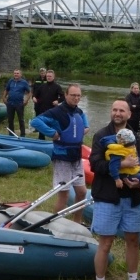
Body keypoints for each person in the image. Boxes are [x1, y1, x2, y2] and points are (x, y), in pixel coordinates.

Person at [89, 99, 140, 280]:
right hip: (108, 196)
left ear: (129, 114)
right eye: (115, 109)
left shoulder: (136, 138)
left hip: (132, 197)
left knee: (133, 240)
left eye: (122, 110)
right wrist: (120, 164)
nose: (117, 113)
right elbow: (94, 165)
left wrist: (138, 183)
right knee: (105, 242)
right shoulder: (101, 136)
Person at [31, 84, 90, 218]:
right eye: (73, 95)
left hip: (76, 157)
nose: (76, 98)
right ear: (66, 95)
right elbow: (36, 121)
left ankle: (77, 222)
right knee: (64, 194)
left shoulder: (79, 112)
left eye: (78, 95)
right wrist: (52, 133)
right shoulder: (56, 112)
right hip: (62, 157)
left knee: (82, 192)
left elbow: (86, 125)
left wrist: (85, 129)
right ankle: (56, 222)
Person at [101, 128, 140, 208]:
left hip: (132, 170)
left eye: (134, 144)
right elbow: (112, 166)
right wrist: (117, 179)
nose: (133, 146)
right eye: (132, 144)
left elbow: (135, 155)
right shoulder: (117, 151)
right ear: (123, 144)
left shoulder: (129, 147)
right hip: (124, 174)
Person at [32, 70, 64, 140]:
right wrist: (34, 97)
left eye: (50, 76)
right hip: (42, 109)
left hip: (52, 111)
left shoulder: (57, 87)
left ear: (53, 77)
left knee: (55, 127)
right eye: (47, 76)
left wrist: (57, 101)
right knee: (42, 127)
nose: (48, 78)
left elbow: (63, 97)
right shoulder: (42, 86)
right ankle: (41, 140)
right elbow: (35, 94)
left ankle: (58, 140)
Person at [3, 69, 31, 137]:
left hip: (19, 103)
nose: (16, 74)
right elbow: (6, 90)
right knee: (10, 119)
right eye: (15, 73)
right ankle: (11, 134)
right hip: (10, 103)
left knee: (21, 120)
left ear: (20, 74)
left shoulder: (24, 82)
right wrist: (4, 97)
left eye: (17, 73)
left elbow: (29, 92)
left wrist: (26, 100)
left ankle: (23, 135)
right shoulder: (11, 81)